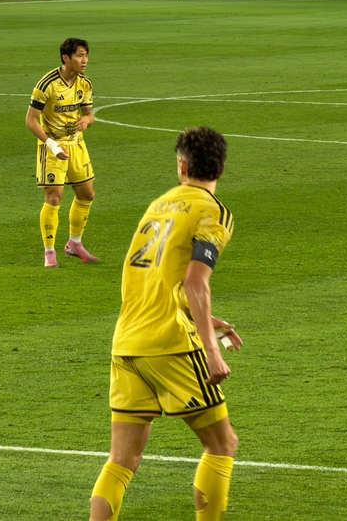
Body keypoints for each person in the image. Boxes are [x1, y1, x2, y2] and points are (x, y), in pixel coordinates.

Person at [89, 126, 242, 521]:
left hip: (127, 342)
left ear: (182, 166)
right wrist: (211, 349)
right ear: (221, 169)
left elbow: (159, 279)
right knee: (222, 445)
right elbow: (195, 282)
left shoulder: (158, 206)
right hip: (169, 344)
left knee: (122, 460)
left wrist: (204, 317)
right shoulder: (213, 212)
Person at [25, 38, 97, 269]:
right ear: (66, 58)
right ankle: (49, 252)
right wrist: (52, 145)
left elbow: (90, 115)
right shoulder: (47, 84)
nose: (84, 60)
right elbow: (31, 120)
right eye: (80, 55)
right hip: (53, 147)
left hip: (76, 145)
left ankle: (74, 243)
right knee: (54, 198)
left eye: (86, 55)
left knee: (87, 194)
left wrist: (86, 120)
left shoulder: (85, 83)